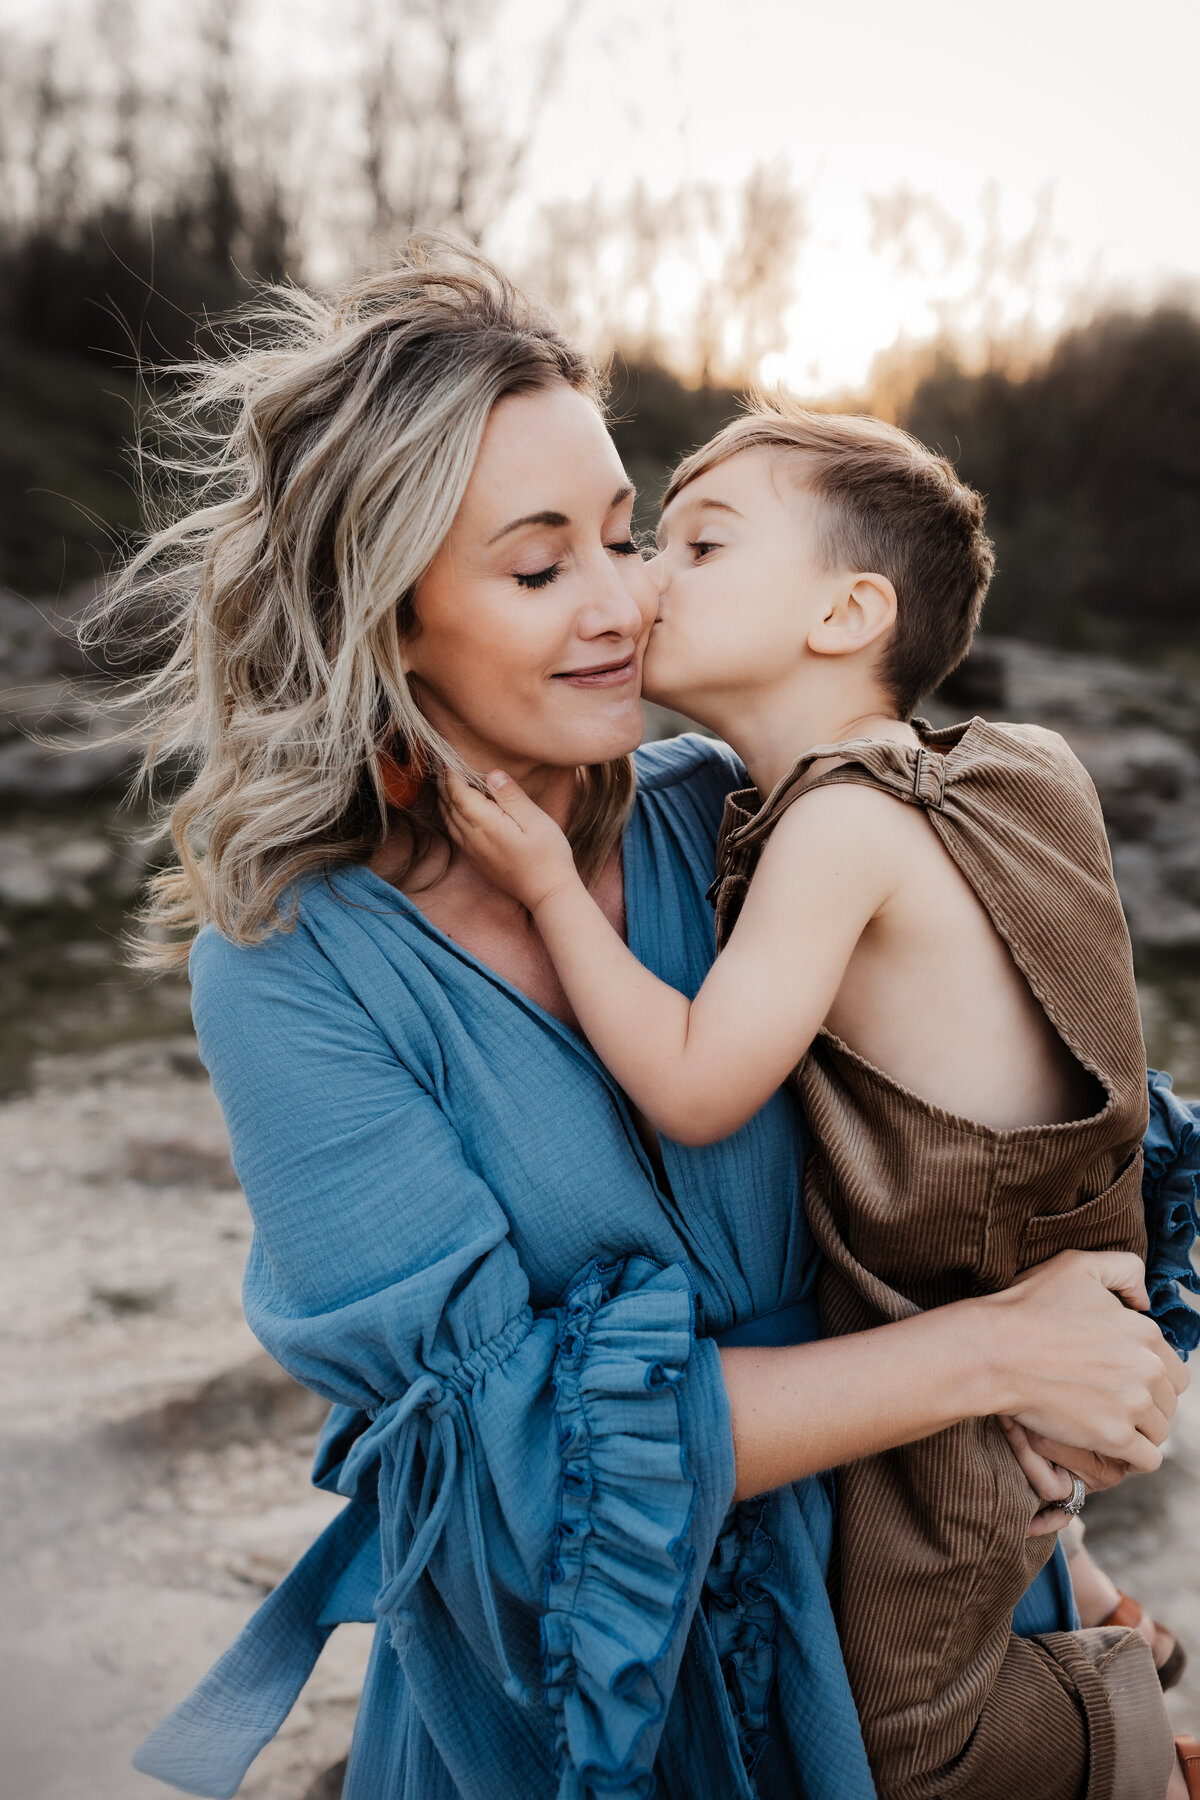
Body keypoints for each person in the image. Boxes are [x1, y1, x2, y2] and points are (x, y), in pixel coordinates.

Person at [103, 239, 1199, 1800]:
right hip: (595, 1709)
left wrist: (1058, 1499)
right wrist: (992, 1362)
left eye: (633, 537)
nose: (625, 603)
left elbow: (982, 1160)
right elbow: (509, 1480)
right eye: (542, 567)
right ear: (386, 617)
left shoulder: (743, 824)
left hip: (923, 1624)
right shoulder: (290, 967)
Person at [442, 400, 1200, 1799]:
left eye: (697, 542)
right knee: (989, 1578)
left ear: (849, 613)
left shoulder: (838, 826)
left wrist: (550, 885)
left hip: (963, 1333)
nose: (646, 579)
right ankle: (1093, 1596)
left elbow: (693, 1088)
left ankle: (1138, 1751)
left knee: (901, 1737)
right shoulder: (997, 773)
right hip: (1010, 1288)